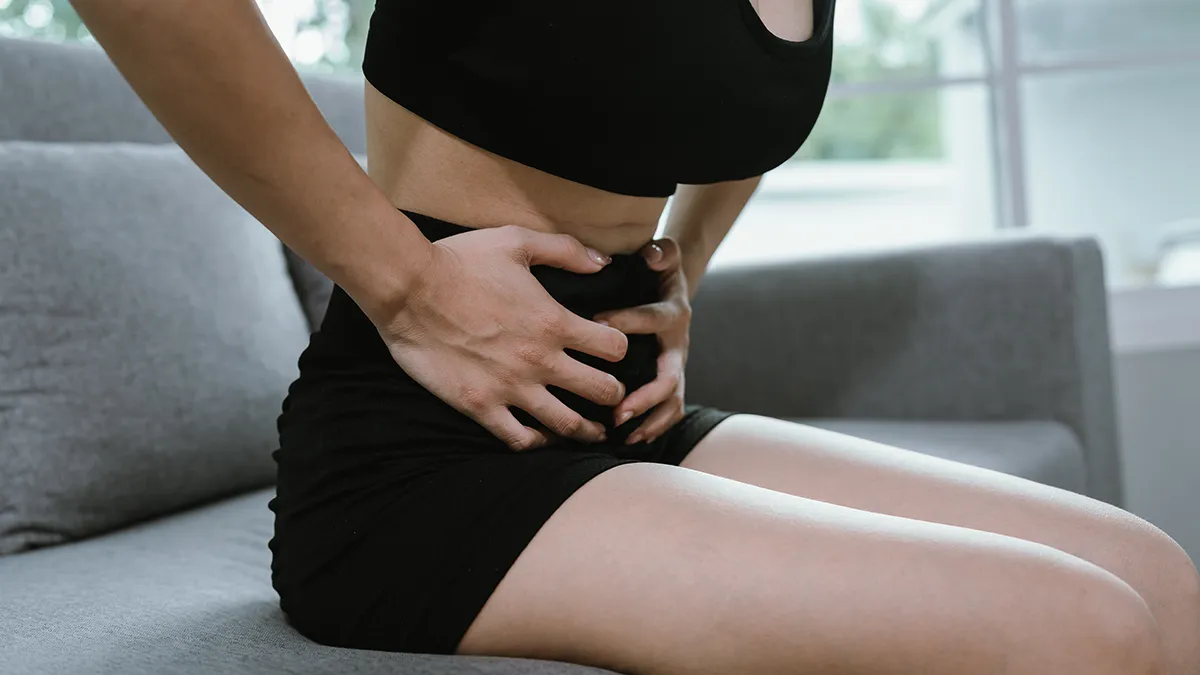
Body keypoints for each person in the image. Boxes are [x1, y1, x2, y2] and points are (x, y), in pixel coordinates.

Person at [74, 2, 1199, 674]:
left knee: (1156, 577)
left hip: (617, 416)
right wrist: (407, 288)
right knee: (1082, 630)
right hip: (420, 459)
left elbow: (721, 102)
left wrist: (682, 273)